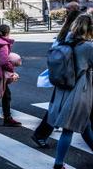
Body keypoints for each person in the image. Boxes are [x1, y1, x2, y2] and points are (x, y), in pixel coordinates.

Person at [47, 14, 93, 169]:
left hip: (62, 90)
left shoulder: (62, 42)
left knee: (85, 126)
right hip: (79, 92)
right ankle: (57, 168)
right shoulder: (88, 46)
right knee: (68, 129)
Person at [31, 9, 82, 148]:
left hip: (62, 76)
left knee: (57, 107)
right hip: (72, 78)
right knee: (59, 108)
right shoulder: (72, 37)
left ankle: (40, 134)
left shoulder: (62, 35)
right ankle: (40, 134)